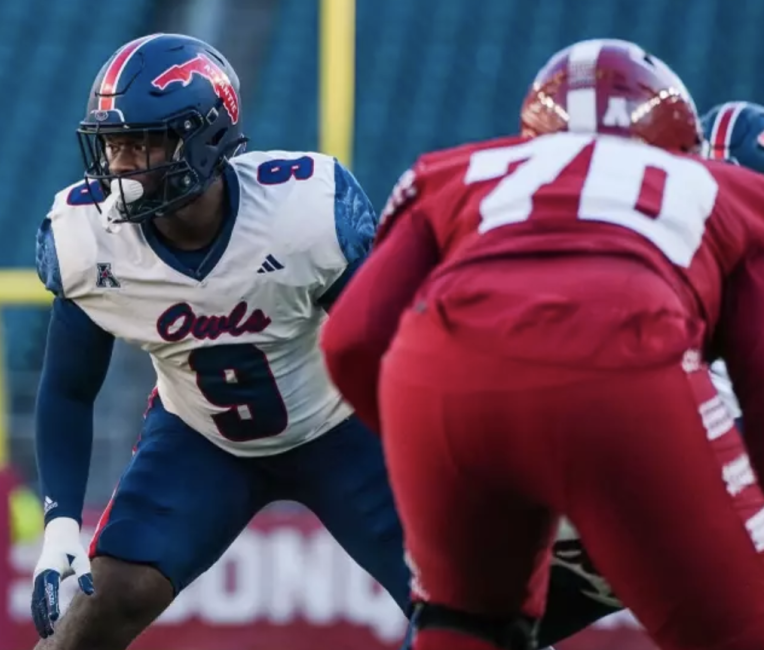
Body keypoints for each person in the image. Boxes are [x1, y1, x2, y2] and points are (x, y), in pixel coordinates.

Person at [321, 38, 764, 650]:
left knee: (466, 625)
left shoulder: (454, 169)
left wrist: (440, 449)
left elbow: (350, 339)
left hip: (444, 388)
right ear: (686, 149)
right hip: (627, 392)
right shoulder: (727, 194)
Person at [29, 33, 408, 650]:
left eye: (143, 143)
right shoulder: (88, 238)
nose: (120, 165)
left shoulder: (303, 213)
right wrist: (60, 524)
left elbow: (385, 350)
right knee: (113, 596)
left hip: (342, 432)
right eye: (113, 145)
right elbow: (69, 390)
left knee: (456, 602)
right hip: (202, 441)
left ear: (204, 138)